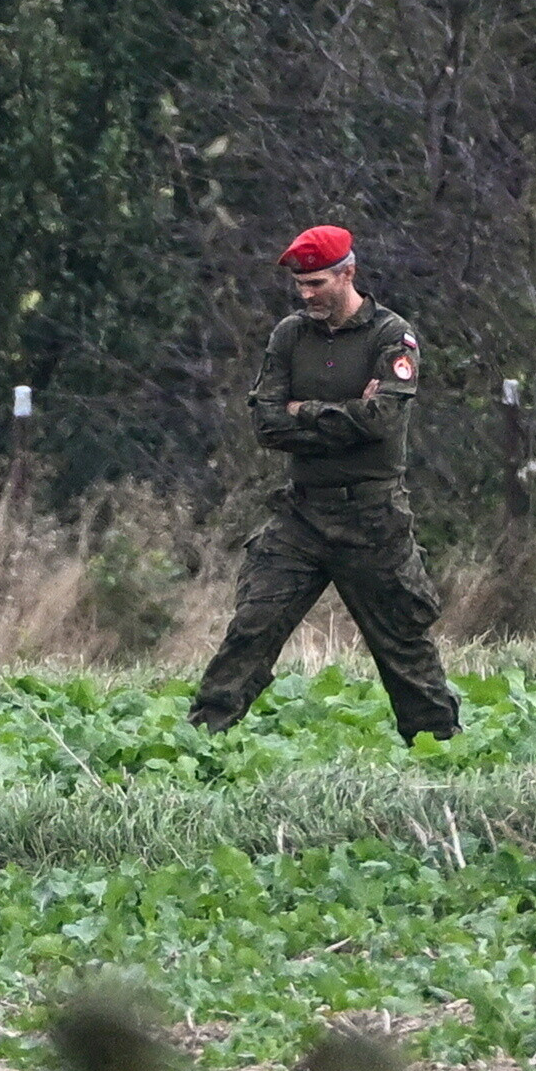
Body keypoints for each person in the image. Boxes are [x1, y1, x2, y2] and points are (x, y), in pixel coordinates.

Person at [189, 225, 463, 745]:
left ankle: (440, 753)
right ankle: (200, 742)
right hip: (302, 517)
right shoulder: (289, 336)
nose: (306, 294)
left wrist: (304, 412)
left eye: (316, 283)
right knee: (251, 629)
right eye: (300, 284)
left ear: (348, 274)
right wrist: (344, 413)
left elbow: (382, 421)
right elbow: (267, 425)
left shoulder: (391, 337)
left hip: (373, 518)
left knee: (403, 647)